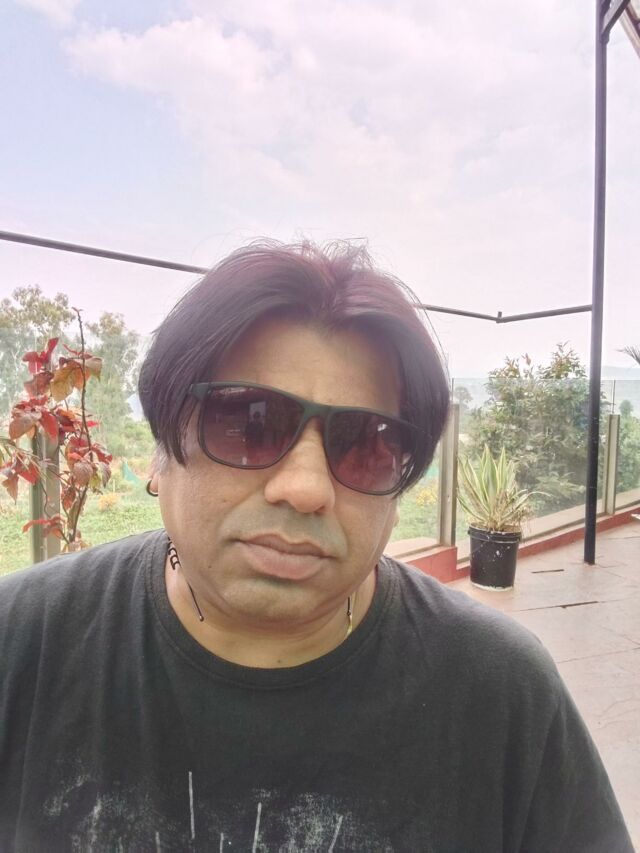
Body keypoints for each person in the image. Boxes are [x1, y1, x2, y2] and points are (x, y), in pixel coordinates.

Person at [0, 241, 633, 852]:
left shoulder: (500, 693)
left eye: (367, 443)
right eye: (249, 422)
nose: (306, 489)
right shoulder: (23, 643)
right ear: (162, 452)